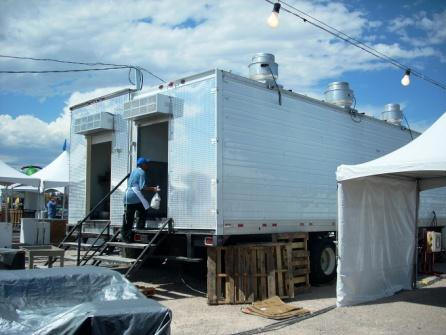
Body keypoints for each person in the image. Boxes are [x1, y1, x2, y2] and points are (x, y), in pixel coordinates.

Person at [122, 157, 160, 243]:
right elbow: (142, 187)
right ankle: (140, 227)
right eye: (146, 164)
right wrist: (154, 189)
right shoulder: (142, 172)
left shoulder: (134, 171)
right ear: (143, 165)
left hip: (127, 196)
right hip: (135, 195)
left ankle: (125, 237)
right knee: (144, 208)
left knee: (128, 218)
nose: (147, 166)